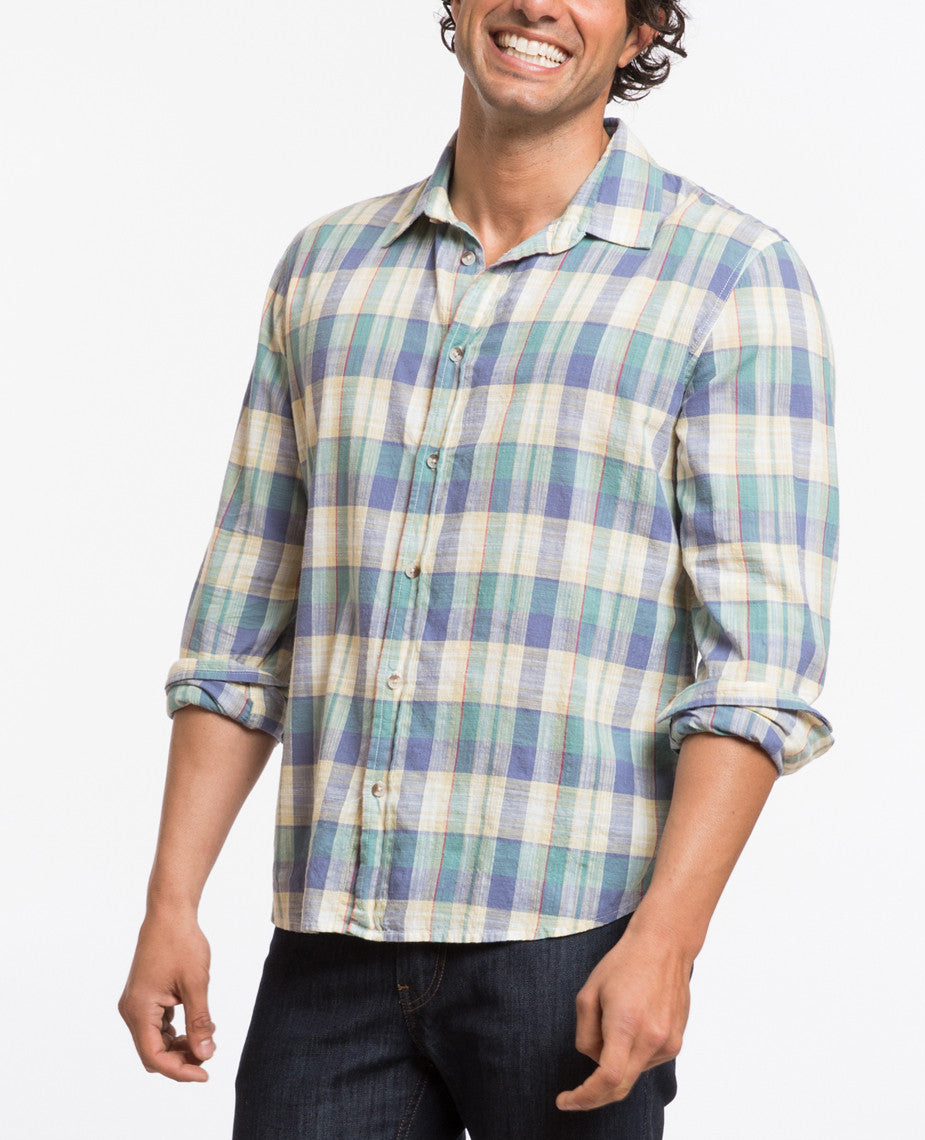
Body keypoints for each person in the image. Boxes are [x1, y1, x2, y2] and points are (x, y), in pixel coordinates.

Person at [118, 2, 838, 1136]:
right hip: (330, 942)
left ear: (641, 29)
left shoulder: (728, 277)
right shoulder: (326, 270)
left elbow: (756, 670)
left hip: (568, 947)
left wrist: (665, 940)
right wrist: (172, 900)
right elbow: (240, 627)